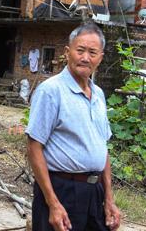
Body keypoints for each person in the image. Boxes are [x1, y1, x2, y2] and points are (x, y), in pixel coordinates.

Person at [26, 22, 121, 231]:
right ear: (68, 52)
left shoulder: (98, 95)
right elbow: (34, 147)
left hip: (93, 192)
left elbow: (102, 148)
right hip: (61, 189)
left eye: (92, 52)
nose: (85, 57)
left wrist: (109, 198)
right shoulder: (51, 91)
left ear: (100, 58)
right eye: (80, 51)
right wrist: (53, 203)